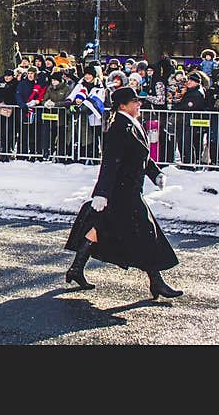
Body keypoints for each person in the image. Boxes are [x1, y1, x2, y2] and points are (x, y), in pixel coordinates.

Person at [64, 87, 182, 299]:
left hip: (129, 189)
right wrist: (101, 194)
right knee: (146, 233)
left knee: (98, 228)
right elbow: (110, 164)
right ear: (123, 106)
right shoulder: (119, 128)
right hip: (121, 192)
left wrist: (155, 174)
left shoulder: (132, 124)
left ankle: (76, 269)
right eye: (135, 102)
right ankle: (157, 282)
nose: (139, 105)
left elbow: (140, 155)